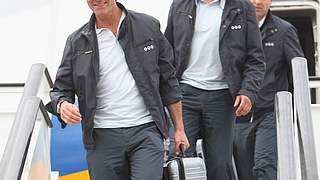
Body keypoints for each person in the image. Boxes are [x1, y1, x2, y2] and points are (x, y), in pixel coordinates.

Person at [45, 1, 190, 179]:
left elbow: (168, 82)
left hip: (146, 131)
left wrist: (179, 129)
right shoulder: (77, 41)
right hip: (101, 138)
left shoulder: (148, 26)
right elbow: (61, 89)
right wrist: (62, 105)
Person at [165, 0, 266, 179]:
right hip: (184, 95)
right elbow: (166, 53)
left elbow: (256, 60)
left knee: (220, 164)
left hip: (223, 98)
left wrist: (248, 92)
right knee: (180, 162)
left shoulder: (243, 7)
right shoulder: (179, 5)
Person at [233, 0, 304, 179]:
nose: (257, 2)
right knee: (242, 171)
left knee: (265, 166)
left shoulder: (284, 31)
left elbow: (298, 72)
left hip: (270, 113)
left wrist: (293, 111)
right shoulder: (233, 29)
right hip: (238, 114)